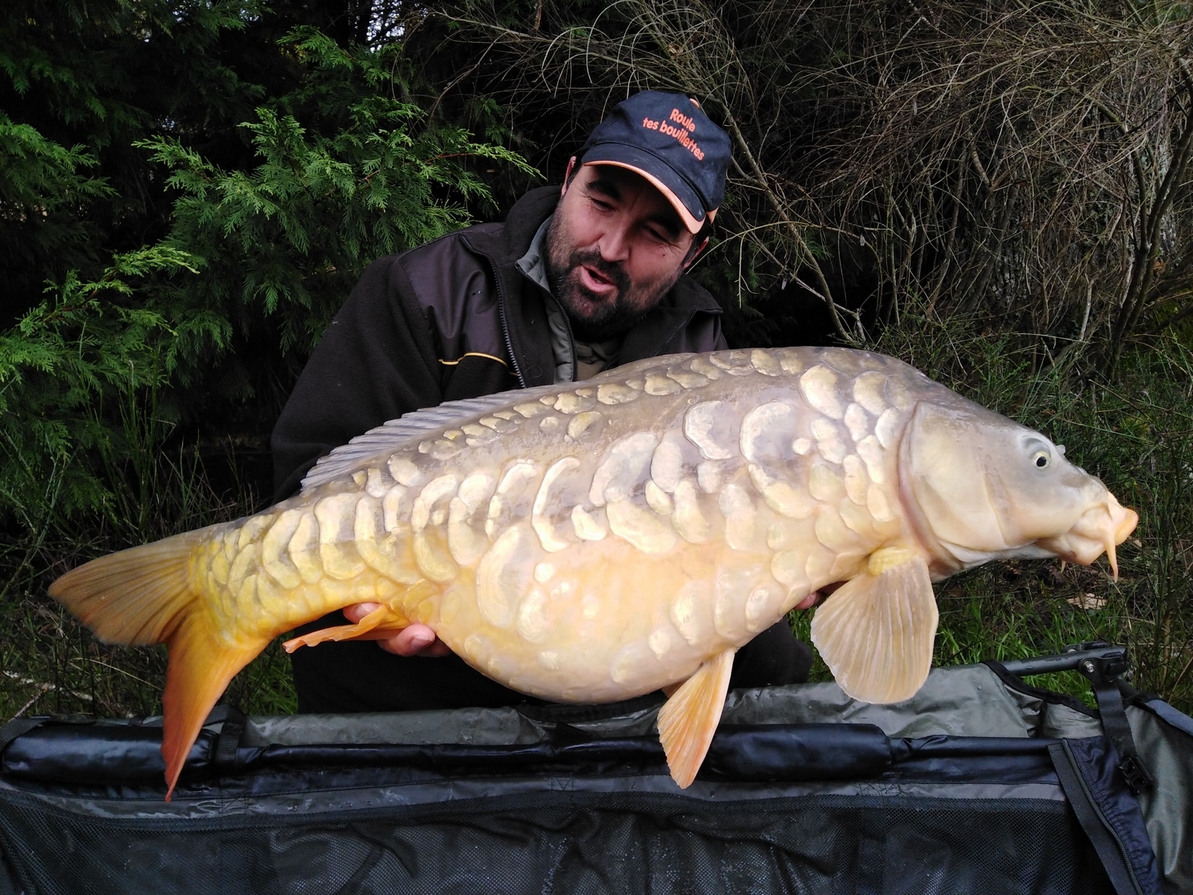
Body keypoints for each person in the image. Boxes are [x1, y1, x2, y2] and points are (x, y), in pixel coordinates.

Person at [271, 90, 814, 713]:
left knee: (775, 671)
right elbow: (303, 485)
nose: (610, 247)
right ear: (568, 179)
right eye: (601, 202)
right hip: (410, 698)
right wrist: (372, 601)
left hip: (591, 684)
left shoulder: (705, 363)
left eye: (655, 232)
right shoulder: (426, 292)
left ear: (694, 252)